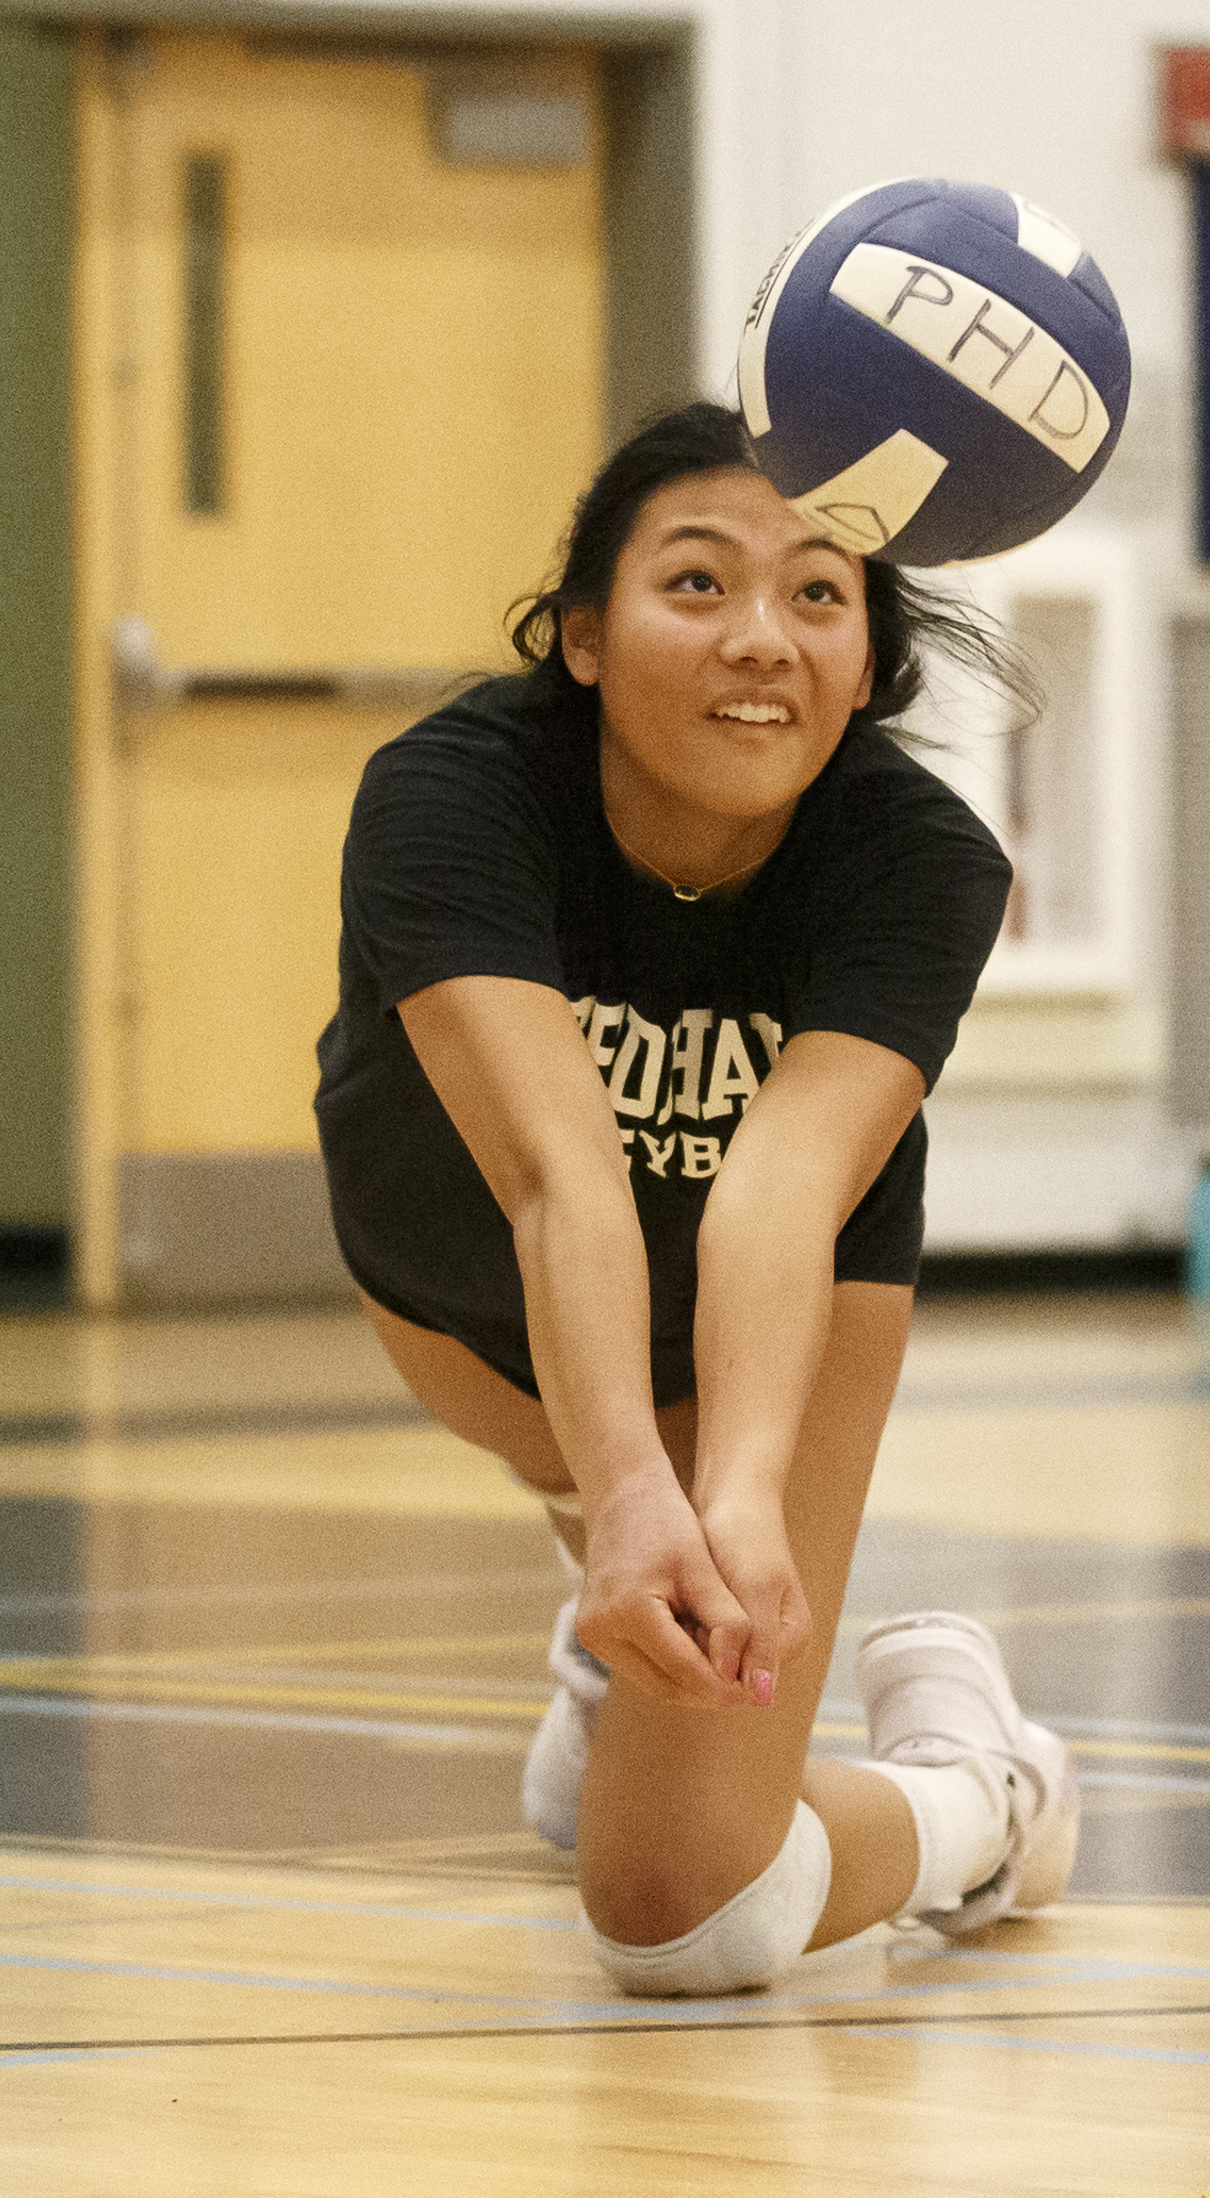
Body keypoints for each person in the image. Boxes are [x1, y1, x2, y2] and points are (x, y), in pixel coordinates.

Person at [312, 399, 1078, 1997]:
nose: (762, 641)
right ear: (583, 637)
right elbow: (555, 1176)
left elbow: (779, 1196)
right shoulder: (450, 799)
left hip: (765, 1318)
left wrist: (730, 1487)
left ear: (867, 659)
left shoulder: (918, 862)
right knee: (641, 1578)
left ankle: (983, 1799)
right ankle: (623, 1674)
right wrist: (626, 1486)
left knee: (687, 1916)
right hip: (481, 1319)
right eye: (697, 585)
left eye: (819, 595)